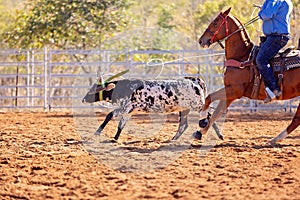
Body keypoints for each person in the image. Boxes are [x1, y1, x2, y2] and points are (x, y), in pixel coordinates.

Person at [256, 0, 293, 103]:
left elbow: (267, 14)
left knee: (261, 59)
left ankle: (274, 89)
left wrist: (261, 12)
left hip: (276, 37)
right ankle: (267, 89)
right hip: (277, 37)